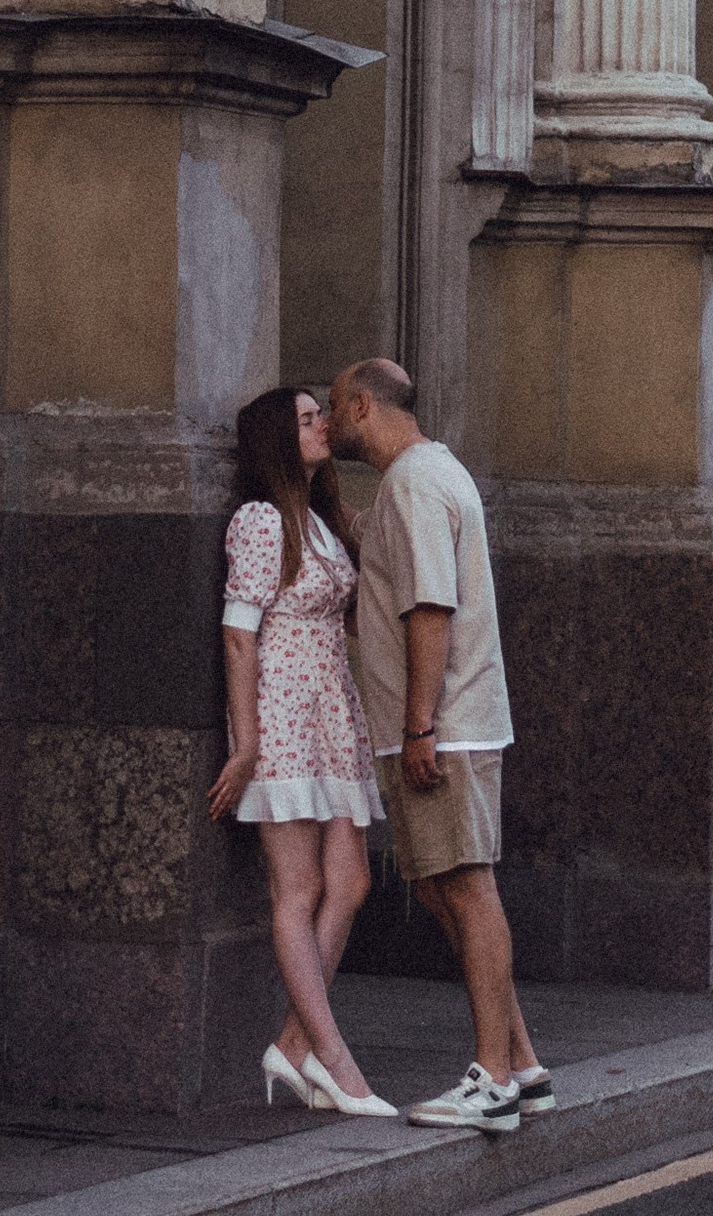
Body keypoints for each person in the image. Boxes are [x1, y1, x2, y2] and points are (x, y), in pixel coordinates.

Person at [328, 357, 547, 1135]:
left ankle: (491, 1079)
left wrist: (419, 725)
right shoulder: (430, 475)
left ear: (361, 406)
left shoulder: (416, 482)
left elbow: (430, 609)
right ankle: (519, 1061)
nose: (326, 423)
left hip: (442, 727)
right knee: (440, 886)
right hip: (445, 723)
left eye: (332, 408)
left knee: (465, 887)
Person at [209, 385, 395, 1120]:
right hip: (283, 713)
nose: (322, 427)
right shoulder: (259, 521)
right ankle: (336, 1060)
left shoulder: (319, 520)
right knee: (299, 891)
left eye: (322, 415)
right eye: (308, 419)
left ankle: (293, 1047)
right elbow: (237, 634)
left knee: (348, 883)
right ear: (278, 441)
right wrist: (247, 742)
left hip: (331, 711)